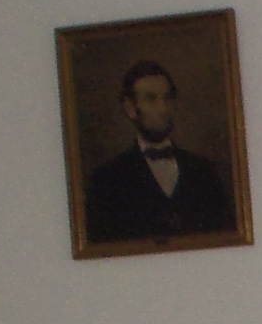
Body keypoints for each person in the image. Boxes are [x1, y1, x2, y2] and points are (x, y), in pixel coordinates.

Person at [82, 60, 237, 244]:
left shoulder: (204, 171)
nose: (163, 108)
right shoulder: (106, 180)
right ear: (130, 108)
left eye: (167, 98)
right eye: (151, 99)